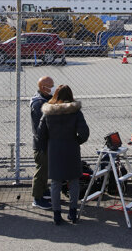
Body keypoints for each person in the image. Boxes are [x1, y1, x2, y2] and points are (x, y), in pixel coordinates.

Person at [37, 85, 89, 225]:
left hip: (54, 149)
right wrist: (76, 141)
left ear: (56, 96)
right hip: (71, 148)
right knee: (73, 182)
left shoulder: (48, 112)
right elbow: (84, 133)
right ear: (70, 95)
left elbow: (40, 134)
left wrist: (45, 148)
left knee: (55, 183)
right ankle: (73, 212)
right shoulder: (75, 112)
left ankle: (57, 214)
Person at [30, 76, 54, 210]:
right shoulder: (39, 104)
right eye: (50, 85)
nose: (53, 88)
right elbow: (42, 128)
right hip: (41, 144)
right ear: (42, 87)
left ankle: (43, 192)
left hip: (44, 143)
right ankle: (37, 198)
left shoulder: (42, 99)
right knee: (41, 170)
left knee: (45, 170)